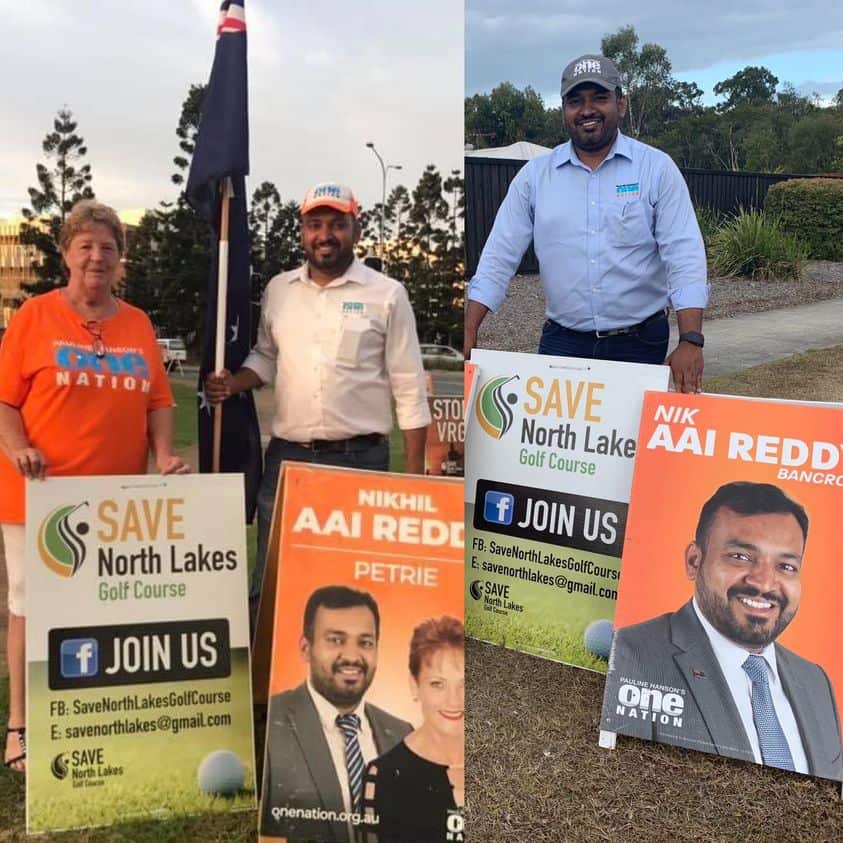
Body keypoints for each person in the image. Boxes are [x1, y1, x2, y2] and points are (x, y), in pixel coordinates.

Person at [0, 199, 189, 772]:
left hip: (115, 502)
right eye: (85, 245)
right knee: (31, 605)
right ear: (65, 254)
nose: (96, 256)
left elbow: (158, 401)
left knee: (102, 611)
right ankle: (21, 727)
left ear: (121, 260)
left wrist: (164, 455)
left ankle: (93, 717)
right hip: (40, 493)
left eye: (108, 247)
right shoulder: (33, 315)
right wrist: (18, 447)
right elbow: (6, 402)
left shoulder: (137, 323)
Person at [204, 183, 431, 617]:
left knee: (349, 585)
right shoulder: (279, 290)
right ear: (302, 231)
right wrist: (234, 383)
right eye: (314, 224)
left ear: (356, 228)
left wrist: (414, 480)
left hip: (360, 463)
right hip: (288, 463)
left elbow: (409, 387)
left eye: (336, 224)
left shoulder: (386, 294)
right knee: (275, 575)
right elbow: (267, 357)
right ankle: (264, 676)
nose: (325, 234)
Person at [464, 54, 709, 393]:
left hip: (639, 345)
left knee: (632, 444)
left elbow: (683, 255)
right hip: (562, 344)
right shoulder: (534, 178)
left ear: (621, 104)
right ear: (563, 110)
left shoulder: (656, 169)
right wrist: (467, 328)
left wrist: (691, 339)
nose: (587, 110)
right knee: (551, 444)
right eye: (575, 101)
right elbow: (498, 257)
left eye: (600, 98)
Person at [604, 482, 843, 781]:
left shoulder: (816, 682)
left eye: (785, 565)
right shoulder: (631, 656)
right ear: (694, 561)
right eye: (741, 557)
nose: (764, 583)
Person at [259, 585, 412, 842]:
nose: (352, 656)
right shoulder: (273, 725)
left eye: (365, 642)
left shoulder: (402, 733)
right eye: (336, 640)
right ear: (306, 648)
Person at [360, 615, 464, 843]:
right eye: (438, 684)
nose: (454, 700)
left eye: (465, 684)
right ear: (414, 685)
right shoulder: (383, 776)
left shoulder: (504, 763)